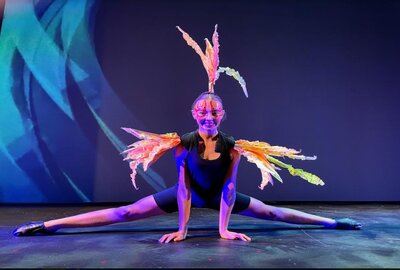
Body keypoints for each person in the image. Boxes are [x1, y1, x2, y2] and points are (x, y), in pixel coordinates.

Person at [13, 25, 361, 242]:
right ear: (194, 114)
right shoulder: (182, 144)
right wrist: (183, 228)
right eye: (203, 112)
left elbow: (228, 186)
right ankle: (48, 225)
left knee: (273, 213)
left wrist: (223, 229)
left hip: (218, 197)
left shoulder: (234, 147)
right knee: (126, 213)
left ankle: (333, 223)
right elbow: (183, 186)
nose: (208, 116)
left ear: (223, 115)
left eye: (214, 112)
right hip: (190, 194)